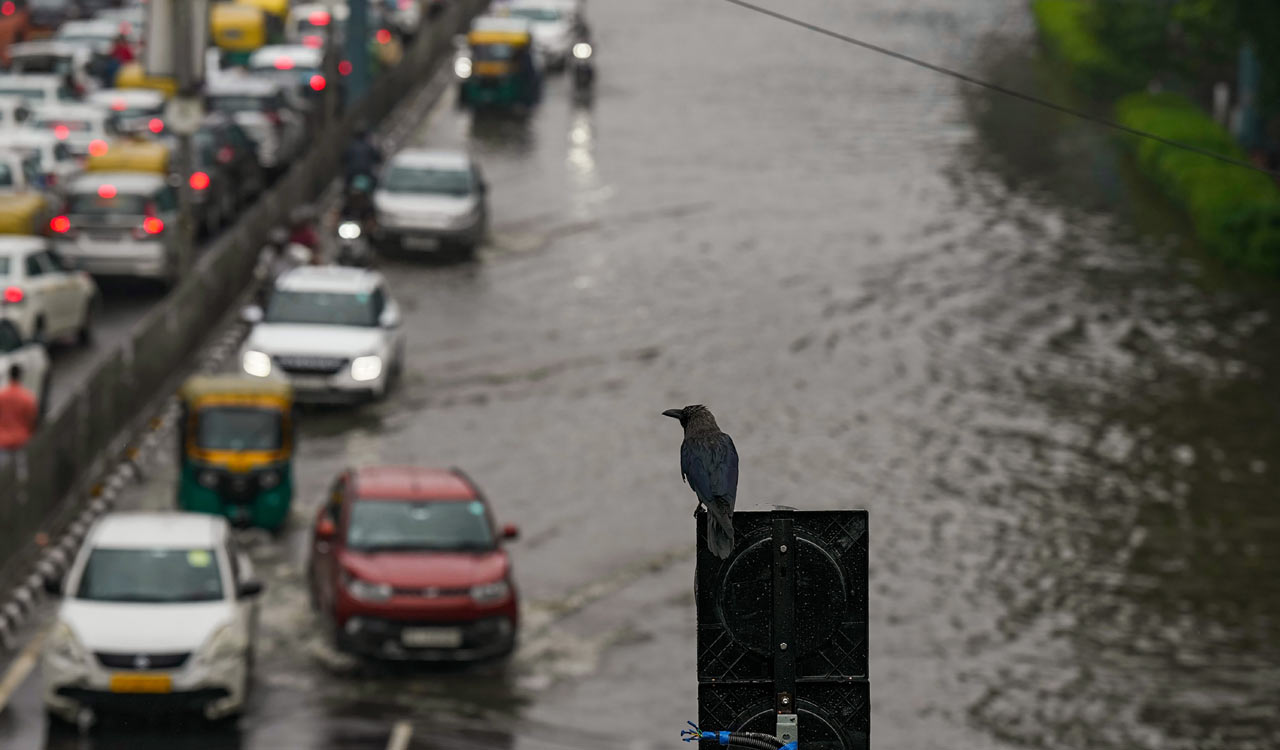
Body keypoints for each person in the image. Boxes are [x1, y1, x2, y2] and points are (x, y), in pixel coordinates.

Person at [0, 365, 38, 454]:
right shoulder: (27, 398)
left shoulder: (2, 396)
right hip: (21, 440)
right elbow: (32, 420)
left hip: (3, 440)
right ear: (20, 376)